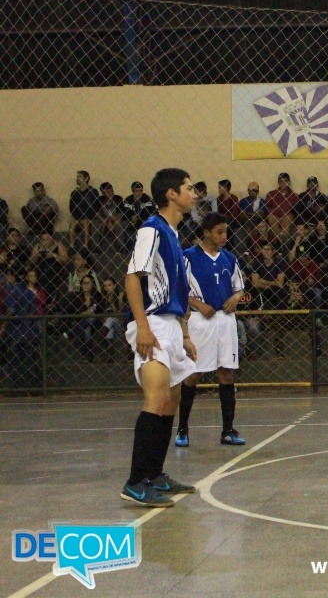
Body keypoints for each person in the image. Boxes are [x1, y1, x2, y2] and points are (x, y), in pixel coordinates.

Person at [120, 167, 198, 508]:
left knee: (170, 401)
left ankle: (155, 474)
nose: (194, 194)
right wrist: (144, 327)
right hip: (152, 321)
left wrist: (184, 333)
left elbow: (177, 291)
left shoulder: (173, 235)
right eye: (189, 188)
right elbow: (132, 278)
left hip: (170, 324)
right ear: (171, 194)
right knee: (155, 399)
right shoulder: (150, 230)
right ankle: (136, 481)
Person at [176, 212, 247, 448]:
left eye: (226, 231)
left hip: (225, 321)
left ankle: (228, 429)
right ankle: (182, 429)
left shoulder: (230, 259)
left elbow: (239, 288)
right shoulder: (188, 257)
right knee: (193, 374)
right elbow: (178, 290)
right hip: (200, 321)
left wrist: (236, 298)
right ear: (206, 232)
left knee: (226, 373)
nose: (225, 236)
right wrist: (197, 303)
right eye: (220, 231)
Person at [69, 170, 100, 249]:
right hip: (77, 217)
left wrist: (86, 217)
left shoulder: (93, 192)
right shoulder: (74, 193)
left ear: (86, 179)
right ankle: (72, 246)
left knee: (85, 222)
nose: (77, 178)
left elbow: (95, 207)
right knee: (72, 222)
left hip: (89, 217)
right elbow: (72, 208)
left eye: (80, 176)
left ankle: (85, 246)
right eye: (77, 176)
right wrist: (78, 217)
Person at [265, 172, 299, 242]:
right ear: (278, 182)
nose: (283, 183)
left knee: (287, 218)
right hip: (275, 215)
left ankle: (282, 243)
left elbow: (296, 209)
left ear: (289, 182)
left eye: (285, 181)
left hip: (287, 215)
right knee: (271, 218)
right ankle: (282, 242)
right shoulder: (271, 194)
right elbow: (267, 207)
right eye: (281, 181)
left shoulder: (294, 195)